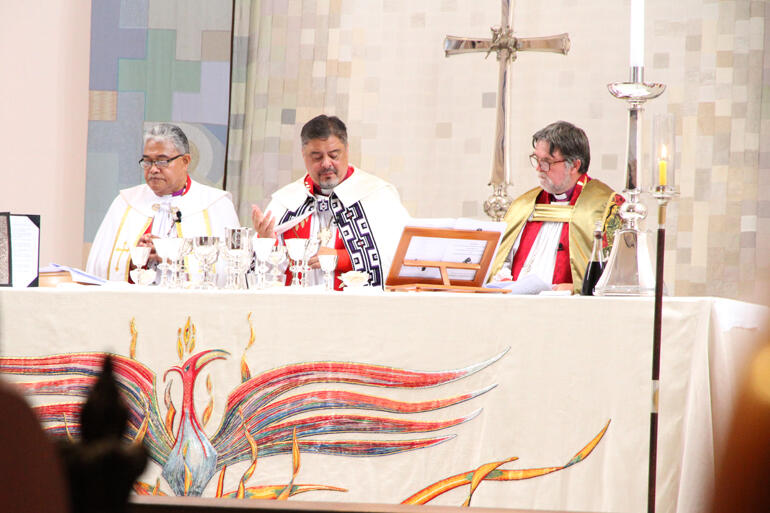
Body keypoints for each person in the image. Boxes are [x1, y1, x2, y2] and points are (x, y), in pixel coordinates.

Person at [251, 115, 410, 289]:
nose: (327, 163)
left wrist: (340, 258)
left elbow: (400, 258)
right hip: (298, 310)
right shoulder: (286, 202)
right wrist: (267, 243)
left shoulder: (378, 197)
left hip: (355, 310)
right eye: (317, 157)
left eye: (334, 155)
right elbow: (267, 275)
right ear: (304, 156)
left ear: (347, 150)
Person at [86, 123, 240, 281]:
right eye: (147, 162)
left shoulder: (215, 205)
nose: (153, 169)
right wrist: (134, 259)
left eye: (162, 161)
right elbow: (97, 266)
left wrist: (169, 256)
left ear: (186, 161)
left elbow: (231, 270)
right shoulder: (126, 203)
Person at [488, 121, 624, 294]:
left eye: (547, 162)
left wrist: (578, 287)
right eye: (536, 159)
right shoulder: (524, 205)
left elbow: (616, 273)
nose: (539, 168)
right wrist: (503, 276)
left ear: (575, 165)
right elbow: (502, 259)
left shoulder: (606, 207)